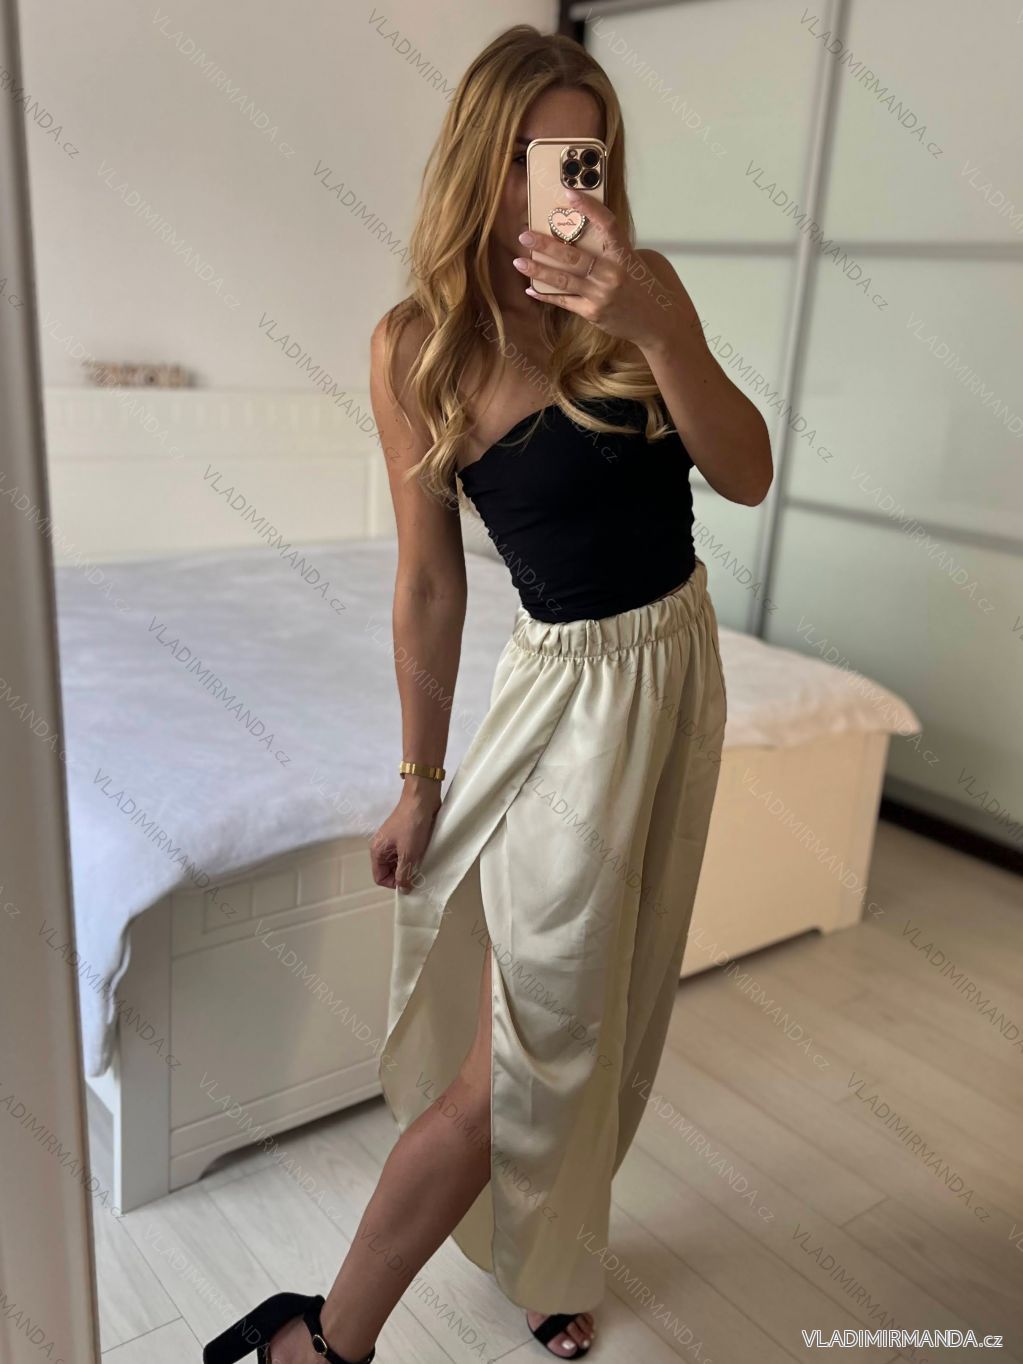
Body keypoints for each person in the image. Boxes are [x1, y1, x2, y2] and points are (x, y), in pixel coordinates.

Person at [202, 23, 770, 1364]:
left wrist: (655, 324)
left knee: (609, 1018)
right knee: (521, 1058)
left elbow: (744, 473)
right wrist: (420, 781)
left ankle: (546, 1252)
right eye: (535, 154)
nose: (564, 183)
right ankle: (324, 1339)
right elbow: (428, 585)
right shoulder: (419, 346)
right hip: (568, 708)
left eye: (587, 155)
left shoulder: (643, 294)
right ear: (480, 158)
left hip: (680, 673)